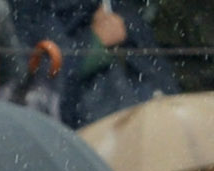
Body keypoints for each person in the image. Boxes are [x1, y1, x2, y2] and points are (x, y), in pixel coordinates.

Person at [10, 0, 178, 124]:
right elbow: (42, 73)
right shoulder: (30, 10)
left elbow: (156, 71)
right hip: (88, 126)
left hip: (145, 117)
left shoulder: (121, 9)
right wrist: (94, 43)